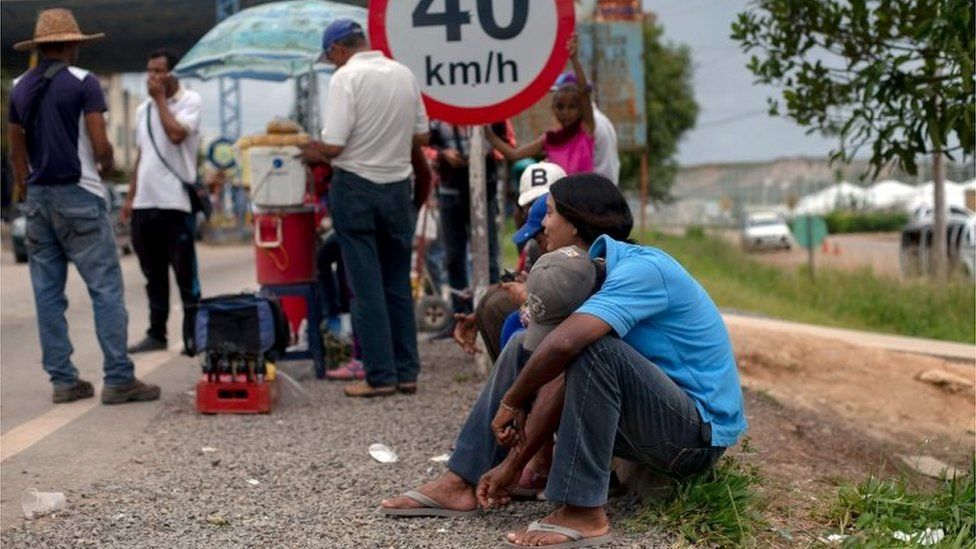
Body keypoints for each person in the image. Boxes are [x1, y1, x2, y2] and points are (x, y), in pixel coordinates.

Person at [380, 174, 747, 549]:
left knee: (593, 349)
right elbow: (560, 377)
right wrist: (512, 464)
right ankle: (462, 480)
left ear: (575, 223)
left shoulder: (642, 270)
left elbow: (567, 347)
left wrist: (512, 402)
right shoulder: (587, 273)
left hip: (694, 435)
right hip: (652, 423)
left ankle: (584, 511)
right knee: (526, 343)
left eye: (550, 212)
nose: (541, 223)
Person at [7, 8, 160, 405]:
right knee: (105, 290)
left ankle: (63, 381)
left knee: (47, 295)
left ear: (41, 46)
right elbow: (100, 143)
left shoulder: (20, 86)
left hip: (38, 200)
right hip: (80, 195)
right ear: (72, 44)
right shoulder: (84, 82)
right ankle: (118, 379)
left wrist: (28, 190)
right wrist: (106, 163)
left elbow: (16, 153)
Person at [299, 19, 429, 398]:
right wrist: (387, 137)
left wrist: (312, 150)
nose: (332, 63)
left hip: (356, 188)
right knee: (397, 285)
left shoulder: (346, 78)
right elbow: (422, 135)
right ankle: (407, 373)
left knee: (366, 287)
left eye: (330, 56)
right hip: (396, 189)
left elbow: (335, 144)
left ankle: (379, 376)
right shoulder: (403, 73)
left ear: (338, 48)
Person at [122, 48, 203, 354]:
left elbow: (175, 136)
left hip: (175, 204)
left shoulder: (189, 101)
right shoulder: (143, 110)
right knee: (153, 275)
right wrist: (130, 197)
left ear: (172, 74)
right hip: (145, 204)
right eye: (149, 71)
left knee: (185, 276)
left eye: (158, 71)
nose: (152, 77)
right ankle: (157, 333)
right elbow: (143, 154)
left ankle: (194, 335)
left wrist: (159, 101)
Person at [426, 120, 510, 338]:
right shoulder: (436, 117)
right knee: (454, 257)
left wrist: (484, 151)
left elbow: (508, 145)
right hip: (449, 190)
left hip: (484, 190)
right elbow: (424, 144)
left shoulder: (494, 113)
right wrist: (443, 155)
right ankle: (459, 317)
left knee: (488, 257)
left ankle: (492, 316)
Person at [487, 35, 595, 175]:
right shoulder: (549, 139)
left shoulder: (585, 129)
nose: (565, 112)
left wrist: (574, 60)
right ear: (553, 109)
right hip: (562, 196)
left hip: (584, 195)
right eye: (560, 107)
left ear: (581, 108)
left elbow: (584, 92)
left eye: (572, 107)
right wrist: (488, 134)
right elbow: (514, 154)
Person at [550, 72, 620, 185]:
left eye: (569, 105)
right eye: (560, 105)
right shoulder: (597, 120)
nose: (564, 112)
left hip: (596, 192)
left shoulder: (590, 126)